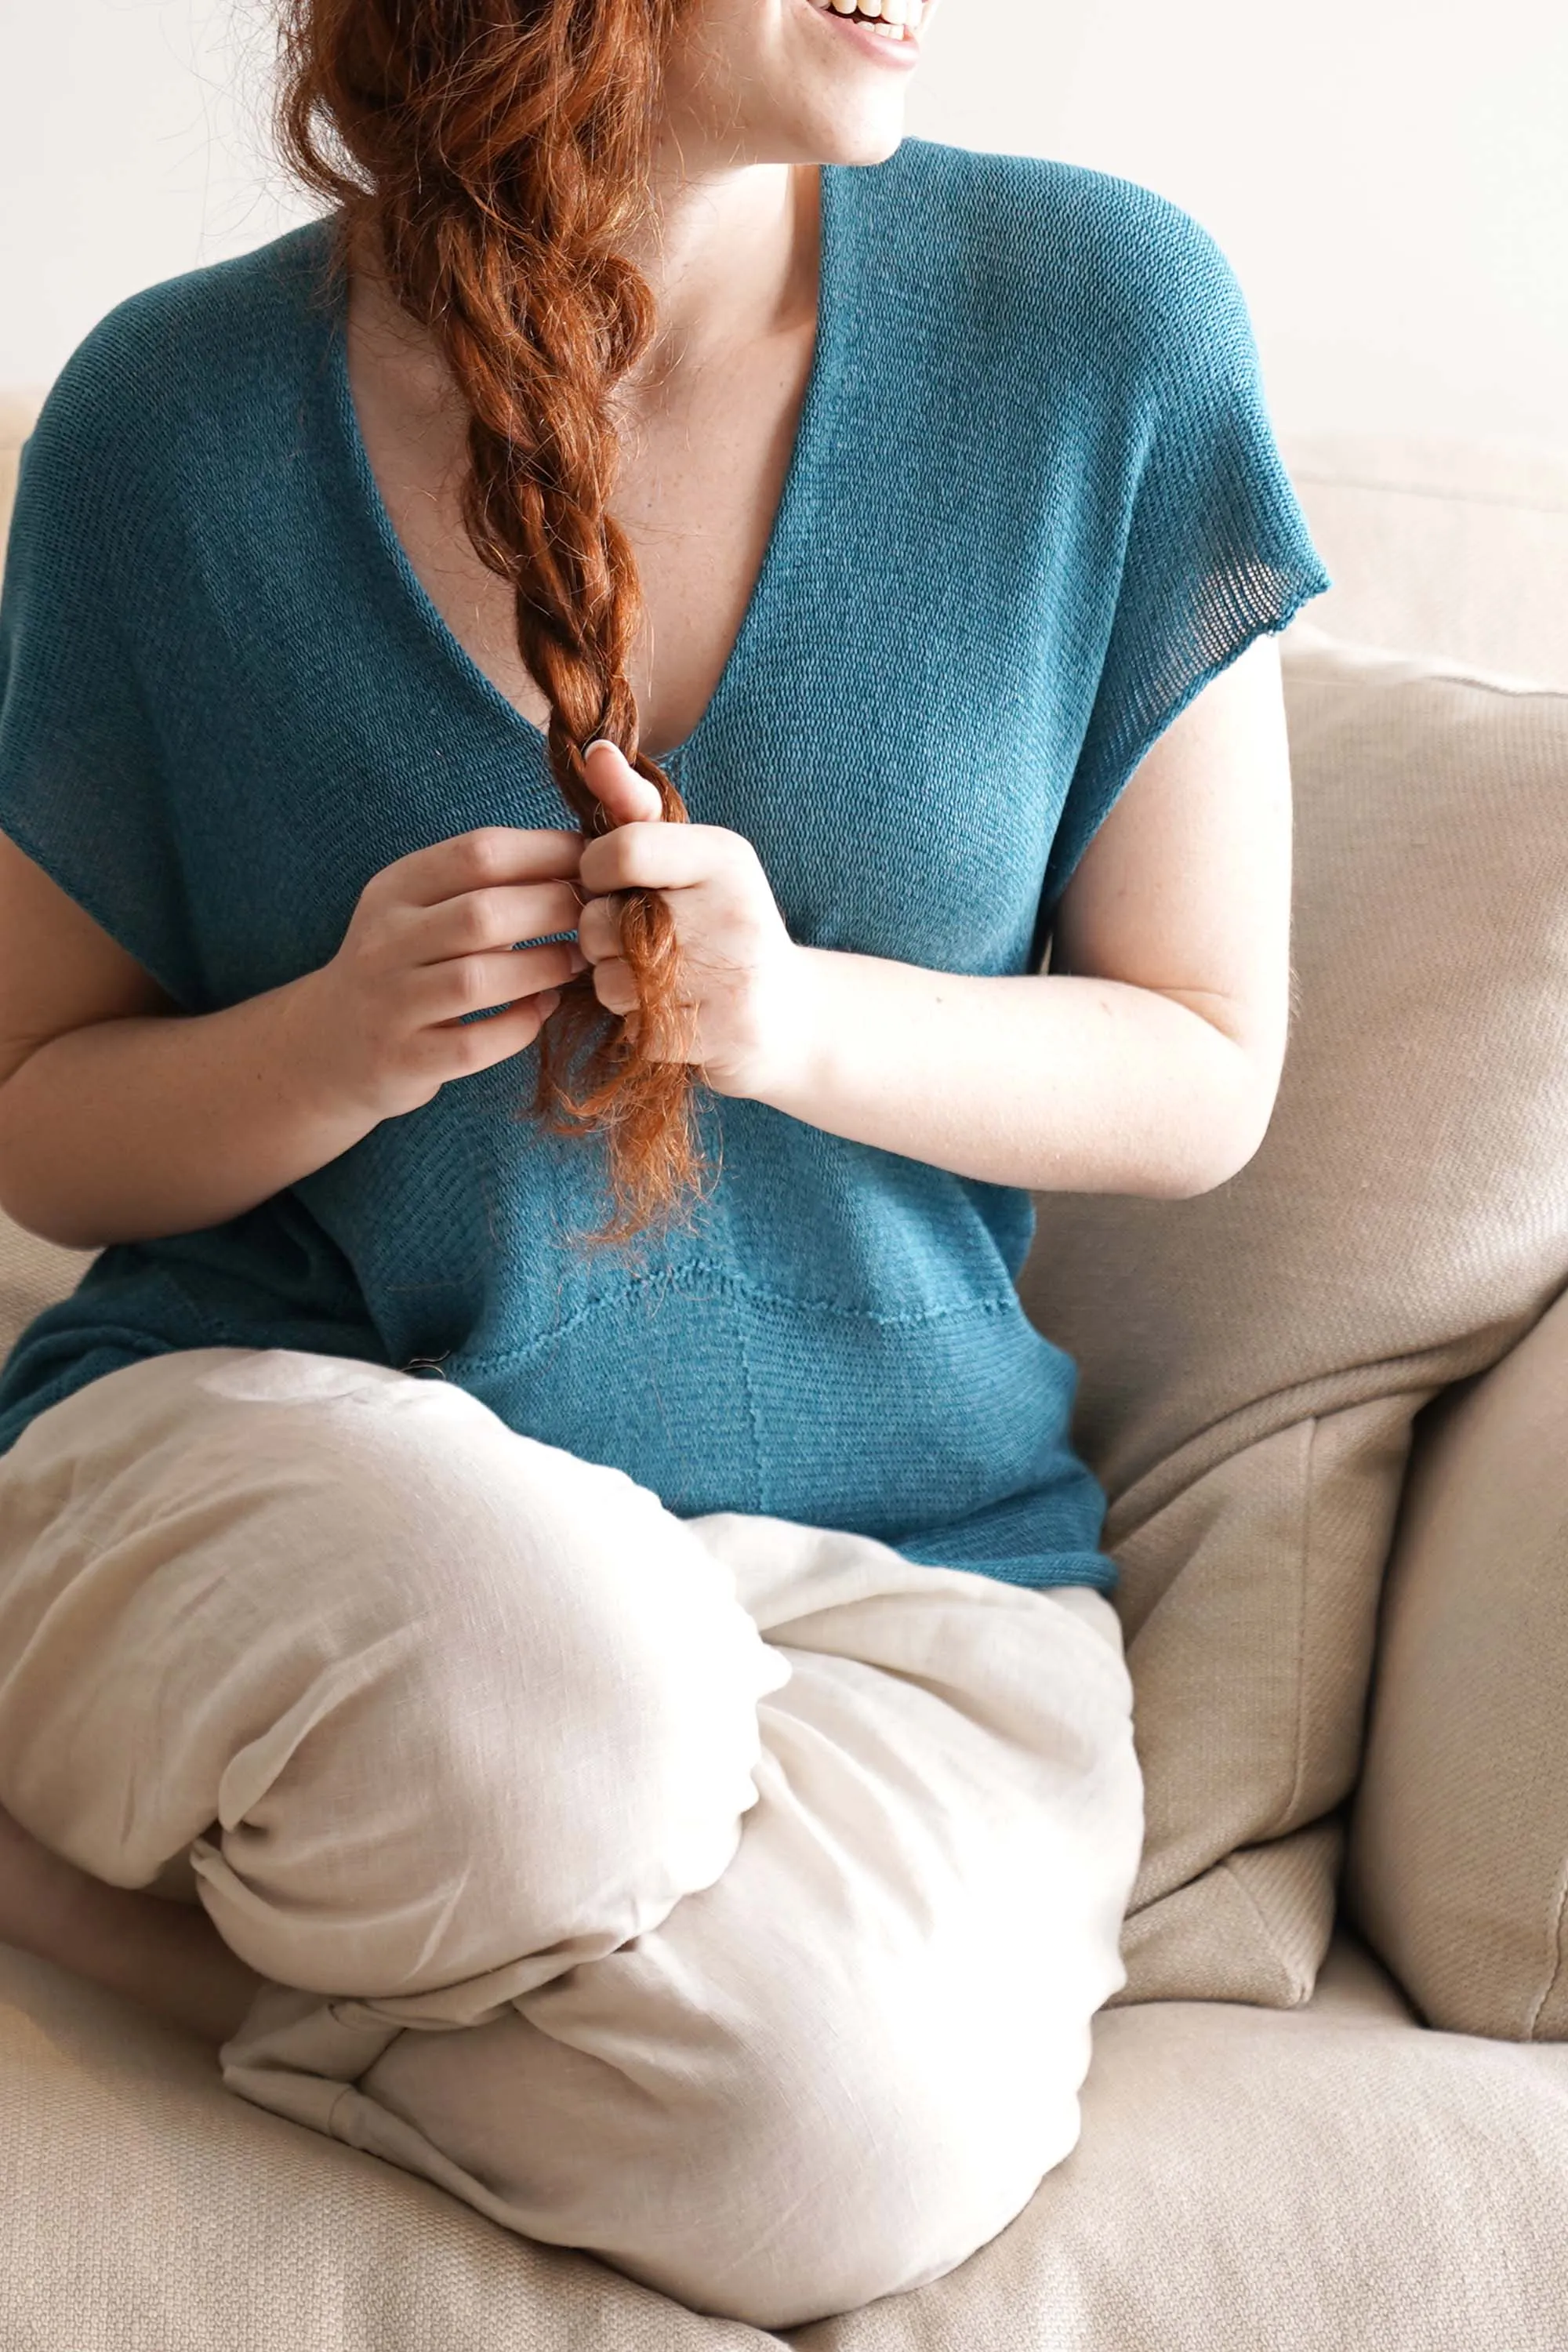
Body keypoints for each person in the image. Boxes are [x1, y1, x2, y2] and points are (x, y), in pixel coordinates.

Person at [0, 0, 1328, 2328]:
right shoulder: (166, 426)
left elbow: (1205, 1066)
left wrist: (794, 1022)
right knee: (554, 1687)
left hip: (899, 1586)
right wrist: (335, 1042)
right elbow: (37, 1112)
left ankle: (134, 1916)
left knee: (859, 2146)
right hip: (307, 1492)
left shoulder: (1099, 326)